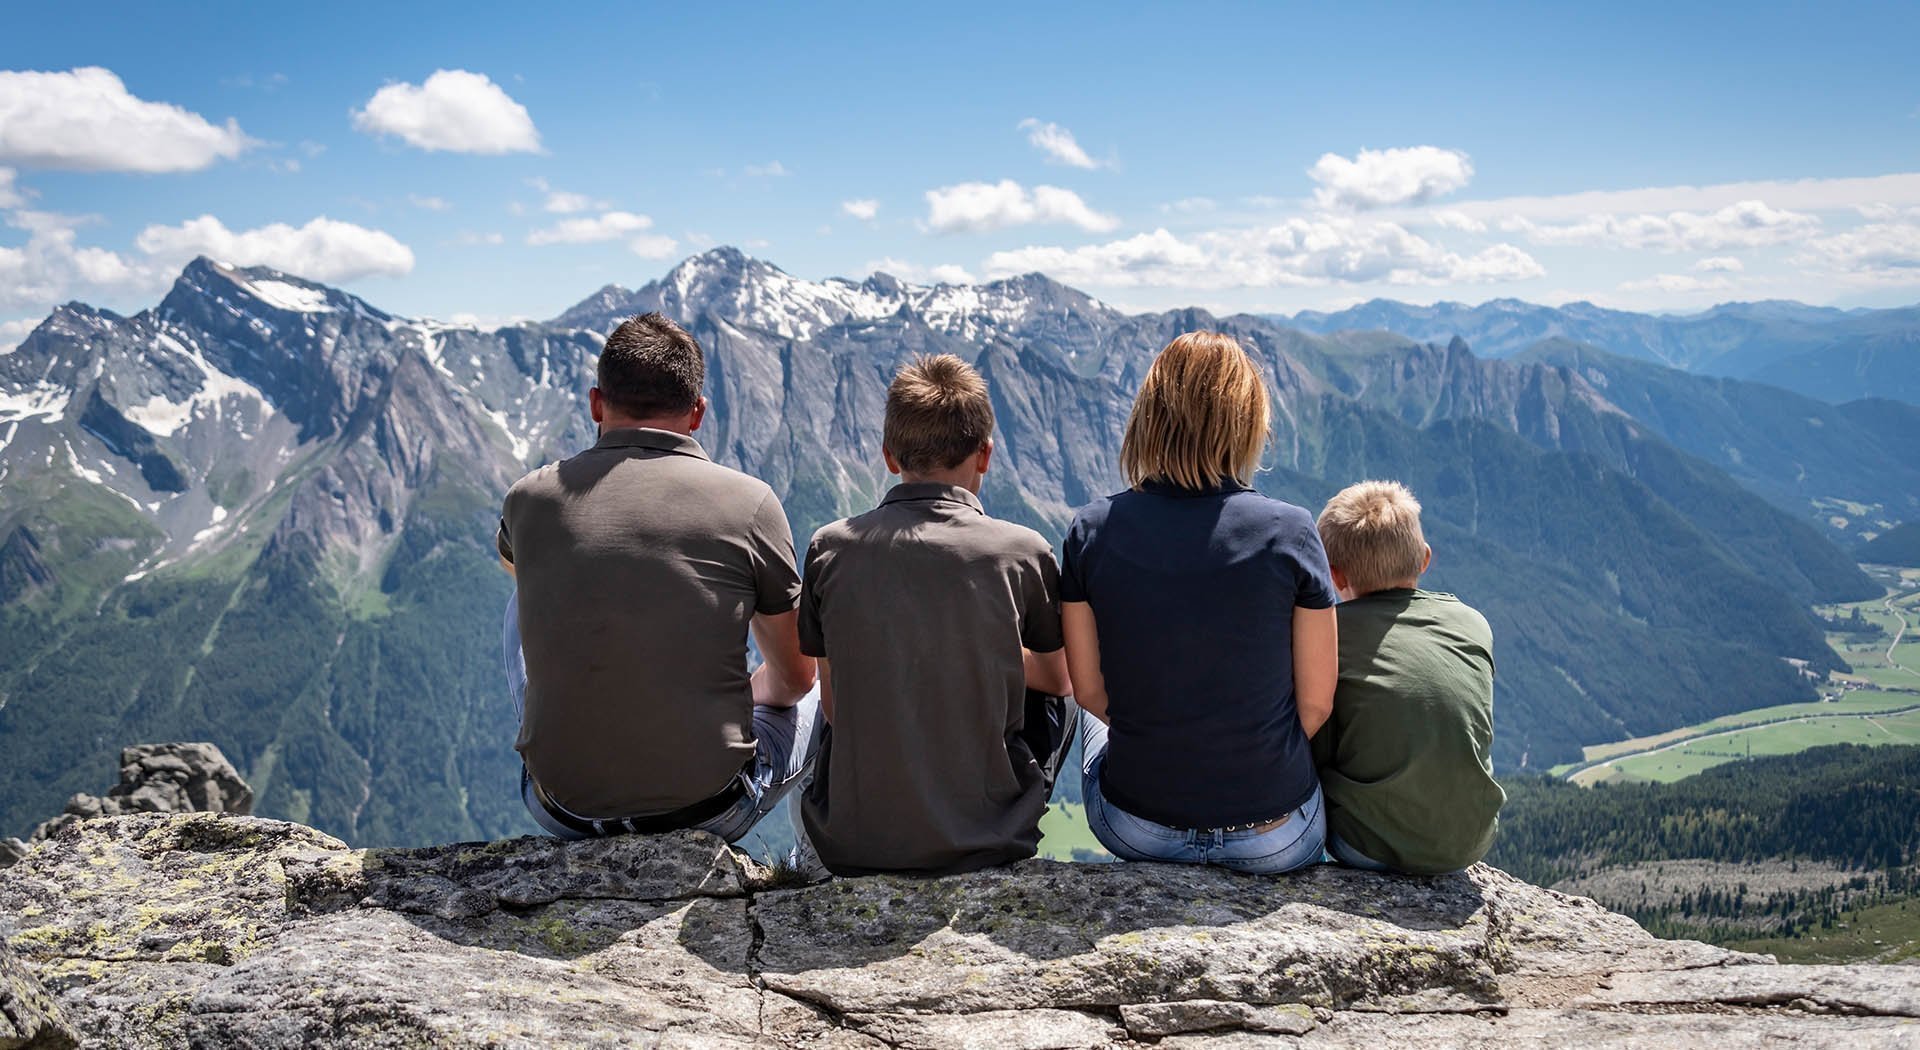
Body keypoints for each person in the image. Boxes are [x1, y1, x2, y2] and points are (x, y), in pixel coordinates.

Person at [498, 312, 819, 842]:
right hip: (708, 809)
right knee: (826, 689)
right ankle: (810, 868)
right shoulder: (750, 502)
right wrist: (740, 692)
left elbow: (519, 571)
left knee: (521, 594)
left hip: (559, 805)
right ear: (697, 413)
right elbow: (795, 680)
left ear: (597, 403)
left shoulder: (527, 496)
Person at [1060, 331, 1337, 874]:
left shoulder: (1090, 531)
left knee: (1092, 722)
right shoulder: (1292, 532)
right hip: (1275, 838)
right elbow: (1316, 705)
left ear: (1150, 418)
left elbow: (1090, 691)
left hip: (1136, 828)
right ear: (1246, 424)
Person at [796, 354, 1075, 875]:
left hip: (853, 845)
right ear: (986, 455)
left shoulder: (828, 548)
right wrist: (984, 647)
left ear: (887, 455)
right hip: (990, 841)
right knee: (1061, 699)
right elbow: (1059, 679)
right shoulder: (1023, 551)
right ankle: (1008, 799)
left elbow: (835, 707)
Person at [1312, 480, 1502, 874]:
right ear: (1425, 558)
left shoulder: (1329, 634)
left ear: (1335, 576)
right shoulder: (1473, 624)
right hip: (1470, 842)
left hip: (1365, 847)